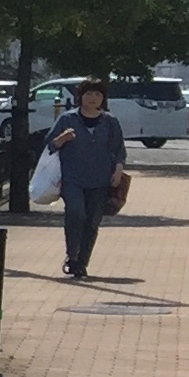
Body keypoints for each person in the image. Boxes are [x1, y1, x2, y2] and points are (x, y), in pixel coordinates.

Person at [48, 77, 124, 279]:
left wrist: (118, 169)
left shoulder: (110, 121)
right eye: (88, 93)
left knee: (92, 222)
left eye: (98, 94)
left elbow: (119, 149)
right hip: (72, 178)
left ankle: (81, 263)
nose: (93, 98)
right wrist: (62, 139)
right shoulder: (67, 119)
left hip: (100, 180)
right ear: (80, 96)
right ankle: (72, 256)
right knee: (76, 213)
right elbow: (50, 145)